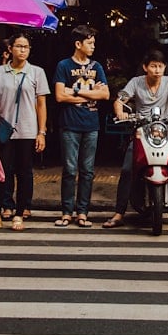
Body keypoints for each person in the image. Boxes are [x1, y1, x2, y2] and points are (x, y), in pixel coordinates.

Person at [103, 49, 168, 230]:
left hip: (164, 129)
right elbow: (120, 100)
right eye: (153, 66)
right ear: (145, 67)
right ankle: (119, 214)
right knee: (127, 170)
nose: (157, 70)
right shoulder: (136, 82)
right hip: (141, 130)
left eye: (160, 66)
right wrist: (121, 111)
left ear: (164, 68)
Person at [0, 32, 49, 231]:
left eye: (26, 47)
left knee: (25, 173)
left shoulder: (37, 72)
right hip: (4, 130)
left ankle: (19, 213)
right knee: (1, 173)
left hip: (28, 130)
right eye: (19, 46)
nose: (22, 50)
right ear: (10, 49)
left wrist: (41, 132)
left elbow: (41, 104)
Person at [53, 25, 109, 227]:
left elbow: (105, 95)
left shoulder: (97, 67)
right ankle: (67, 212)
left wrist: (75, 91)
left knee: (87, 170)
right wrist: (90, 90)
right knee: (69, 169)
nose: (93, 46)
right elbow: (59, 96)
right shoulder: (64, 66)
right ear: (78, 44)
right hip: (69, 124)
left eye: (94, 42)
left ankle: (83, 212)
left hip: (91, 125)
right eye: (90, 42)